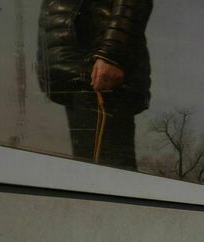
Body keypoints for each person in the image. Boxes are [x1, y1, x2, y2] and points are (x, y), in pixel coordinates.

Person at [37, 0, 153, 170]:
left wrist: (112, 54)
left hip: (98, 76)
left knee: (104, 175)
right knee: (90, 172)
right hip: (78, 74)